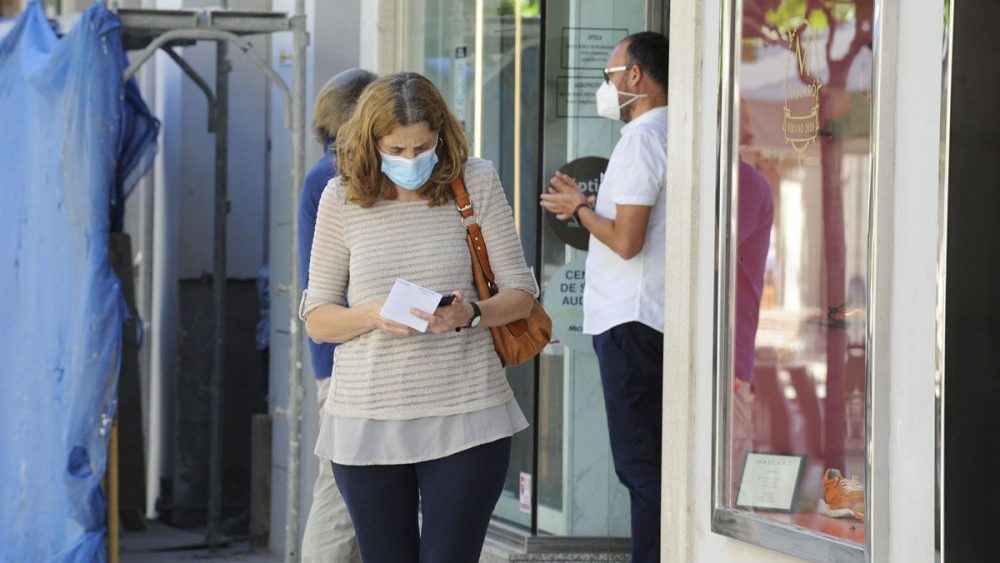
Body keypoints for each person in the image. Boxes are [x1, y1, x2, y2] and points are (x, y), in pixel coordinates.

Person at [299, 72, 538, 563]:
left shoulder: (476, 182)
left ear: (441, 136)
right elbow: (318, 318)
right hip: (367, 418)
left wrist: (469, 313)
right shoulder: (340, 198)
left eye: (422, 147)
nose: (411, 161)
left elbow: (522, 294)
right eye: (397, 149)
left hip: (467, 411)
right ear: (371, 143)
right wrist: (372, 315)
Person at [539, 31, 669, 563]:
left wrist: (578, 208)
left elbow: (626, 240)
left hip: (631, 321)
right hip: (652, 317)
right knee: (655, 465)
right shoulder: (677, 132)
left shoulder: (641, 137)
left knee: (641, 469)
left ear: (635, 77)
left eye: (611, 76)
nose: (607, 87)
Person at [298, 68, 376, 563]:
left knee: (345, 492)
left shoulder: (325, 172)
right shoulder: (337, 176)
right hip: (347, 353)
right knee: (337, 494)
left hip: (342, 353)